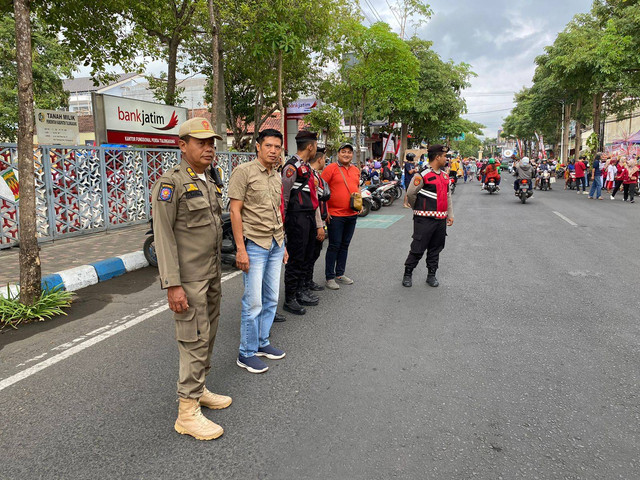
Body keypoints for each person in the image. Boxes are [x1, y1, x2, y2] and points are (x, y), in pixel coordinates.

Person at [152, 117, 230, 441]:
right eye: (201, 142)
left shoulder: (209, 180)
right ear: (182, 145)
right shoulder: (171, 184)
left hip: (211, 276)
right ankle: (187, 413)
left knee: (207, 338)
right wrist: (172, 285)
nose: (209, 148)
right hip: (189, 281)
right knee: (193, 342)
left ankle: (198, 390)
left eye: (211, 142)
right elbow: (163, 236)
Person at [228, 129, 287, 374]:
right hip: (254, 244)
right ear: (258, 146)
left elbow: (277, 211)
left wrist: (284, 245)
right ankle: (246, 352)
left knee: (271, 298)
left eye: (277, 147)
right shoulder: (244, 172)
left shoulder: (276, 175)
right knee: (253, 302)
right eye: (269, 146)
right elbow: (235, 211)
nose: (273, 151)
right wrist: (241, 249)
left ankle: (262, 343)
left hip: (275, 242)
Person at [281, 131, 324, 315]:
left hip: (307, 217)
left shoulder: (305, 167)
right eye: (315, 145)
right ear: (310, 146)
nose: (316, 149)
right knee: (296, 258)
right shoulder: (291, 167)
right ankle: (290, 298)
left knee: (306, 255)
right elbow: (283, 197)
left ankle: (300, 291)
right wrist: (282, 226)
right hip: (296, 217)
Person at [402, 144, 454, 288]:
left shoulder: (444, 176)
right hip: (424, 220)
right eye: (444, 156)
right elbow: (411, 194)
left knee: (436, 249)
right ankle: (408, 273)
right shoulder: (422, 175)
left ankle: (431, 275)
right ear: (437, 157)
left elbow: (448, 196)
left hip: (440, 221)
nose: (446, 159)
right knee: (418, 248)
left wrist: (450, 214)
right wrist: (418, 209)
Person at [321, 143, 360, 290]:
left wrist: (359, 203)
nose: (346, 154)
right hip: (335, 215)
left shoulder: (356, 170)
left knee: (345, 245)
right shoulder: (331, 168)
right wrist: (326, 211)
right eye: (343, 152)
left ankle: (340, 273)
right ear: (338, 153)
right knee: (334, 245)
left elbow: (357, 188)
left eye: (349, 152)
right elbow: (321, 190)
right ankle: (329, 277)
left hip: (352, 213)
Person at [306, 148, 330, 291]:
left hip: (319, 218)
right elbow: (315, 201)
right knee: (309, 254)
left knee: (315, 252)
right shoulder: (311, 175)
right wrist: (319, 225)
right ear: (320, 159)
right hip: (314, 221)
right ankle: (304, 284)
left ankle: (308, 281)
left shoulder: (316, 175)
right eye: (325, 159)